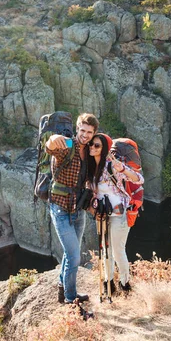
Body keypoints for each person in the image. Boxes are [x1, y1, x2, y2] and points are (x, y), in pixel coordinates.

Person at [45, 112, 99, 304]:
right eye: (82, 130)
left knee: (71, 254)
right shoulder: (68, 145)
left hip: (77, 210)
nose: (85, 135)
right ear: (77, 129)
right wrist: (53, 139)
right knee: (74, 256)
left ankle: (63, 291)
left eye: (89, 132)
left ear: (93, 133)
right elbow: (51, 147)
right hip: (60, 208)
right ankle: (70, 299)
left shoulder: (90, 151)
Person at [87, 133, 144, 293]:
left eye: (97, 145)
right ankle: (108, 282)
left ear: (104, 148)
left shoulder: (111, 166)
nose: (92, 147)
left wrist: (123, 169)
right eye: (91, 144)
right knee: (105, 250)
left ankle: (125, 283)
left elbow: (138, 180)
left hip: (120, 214)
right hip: (102, 214)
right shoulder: (90, 167)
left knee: (118, 250)